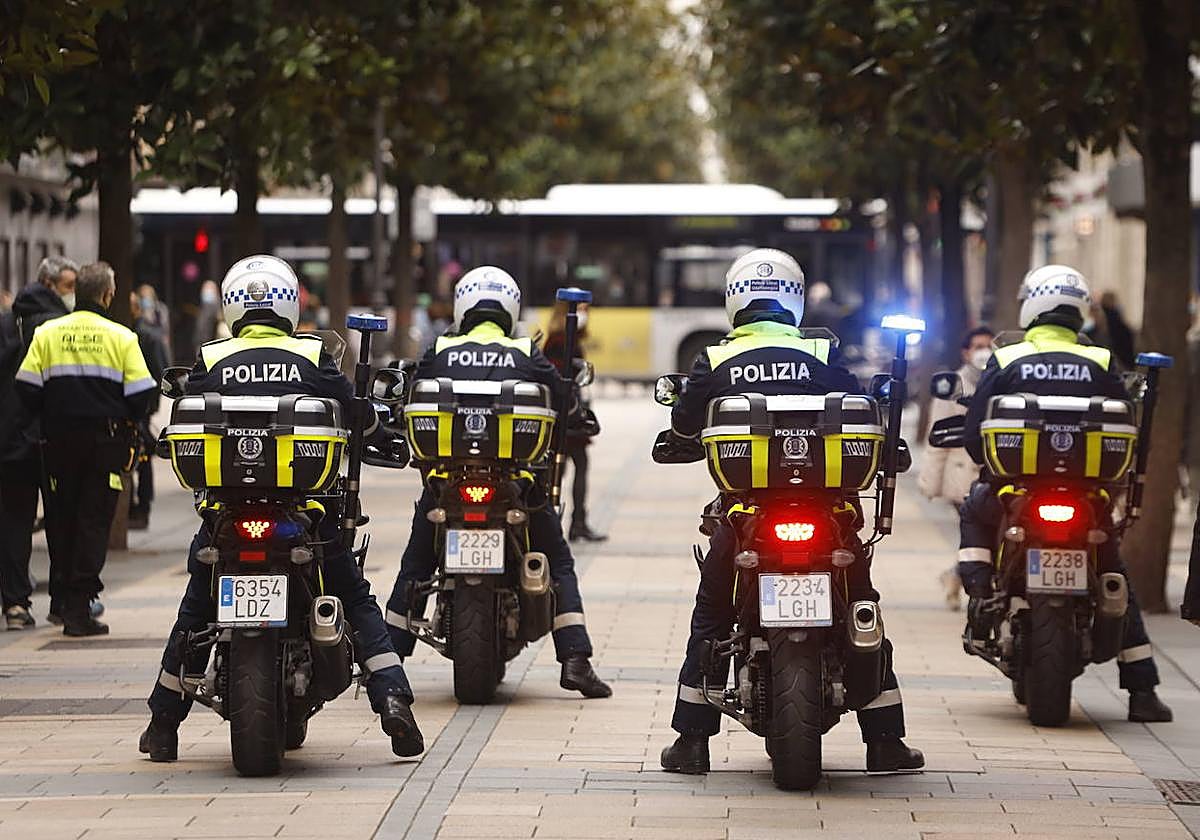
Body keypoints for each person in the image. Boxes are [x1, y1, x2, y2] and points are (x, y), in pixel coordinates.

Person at [137, 255, 422, 762]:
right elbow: (356, 414)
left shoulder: (213, 354)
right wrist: (380, 430)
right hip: (304, 514)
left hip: (225, 514)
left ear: (232, 304)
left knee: (197, 605)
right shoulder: (312, 354)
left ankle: (163, 724)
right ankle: (394, 703)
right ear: (289, 304)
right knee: (352, 596)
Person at [658, 248, 924, 775]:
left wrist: (678, 438)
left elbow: (688, 426)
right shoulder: (822, 357)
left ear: (735, 301)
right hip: (828, 516)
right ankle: (885, 743)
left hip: (746, 516)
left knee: (713, 611)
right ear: (796, 300)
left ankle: (691, 742)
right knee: (860, 608)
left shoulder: (713, 360)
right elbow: (860, 415)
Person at [384, 266, 611, 699]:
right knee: (557, 561)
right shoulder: (525, 350)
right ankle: (576, 661)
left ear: (462, 307)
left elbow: (408, 397)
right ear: (510, 309)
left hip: (446, 483)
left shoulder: (440, 349)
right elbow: (563, 399)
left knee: (416, 565)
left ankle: (389, 666)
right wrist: (576, 414)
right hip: (516, 484)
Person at [958, 264, 1172, 723]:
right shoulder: (1100, 361)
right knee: (1112, 570)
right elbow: (1127, 427)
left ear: (1031, 303)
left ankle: (979, 594)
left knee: (974, 512)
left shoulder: (1009, 356)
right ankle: (1142, 691)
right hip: (1087, 497)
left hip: (1017, 492)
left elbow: (977, 433)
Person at [14, 262, 151, 636]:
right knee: (93, 522)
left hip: (57, 443)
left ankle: (66, 602)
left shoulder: (47, 333)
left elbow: (26, 387)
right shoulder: (121, 337)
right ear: (107, 295)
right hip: (105, 445)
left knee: (62, 520)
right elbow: (142, 395)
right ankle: (79, 607)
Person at [2, 257, 82, 628]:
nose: (74, 294)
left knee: (14, 524)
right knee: (61, 521)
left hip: (10, 441)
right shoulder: (60, 330)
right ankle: (62, 602)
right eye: (69, 286)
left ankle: (15, 604)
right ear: (50, 286)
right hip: (52, 439)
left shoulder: (7, 322)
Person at [919, 326, 995, 610]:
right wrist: (931, 481)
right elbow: (936, 436)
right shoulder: (954, 384)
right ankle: (959, 578)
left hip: (993, 473)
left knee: (980, 537)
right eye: (977, 346)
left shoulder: (999, 378)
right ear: (966, 352)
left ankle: (954, 576)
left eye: (988, 345)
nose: (983, 351)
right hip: (961, 475)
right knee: (976, 534)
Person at [543, 297, 606, 542]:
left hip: (567, 412)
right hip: (566, 415)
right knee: (562, 468)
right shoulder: (560, 341)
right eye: (580, 310)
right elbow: (560, 379)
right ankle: (571, 522)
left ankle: (569, 521)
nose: (584, 314)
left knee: (566, 467)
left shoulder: (564, 339)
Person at [127, 292, 169, 530]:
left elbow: (159, 372)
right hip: (135, 407)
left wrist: (148, 407)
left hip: (140, 409)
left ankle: (142, 506)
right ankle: (138, 505)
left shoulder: (147, 337)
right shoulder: (135, 333)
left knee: (143, 459)